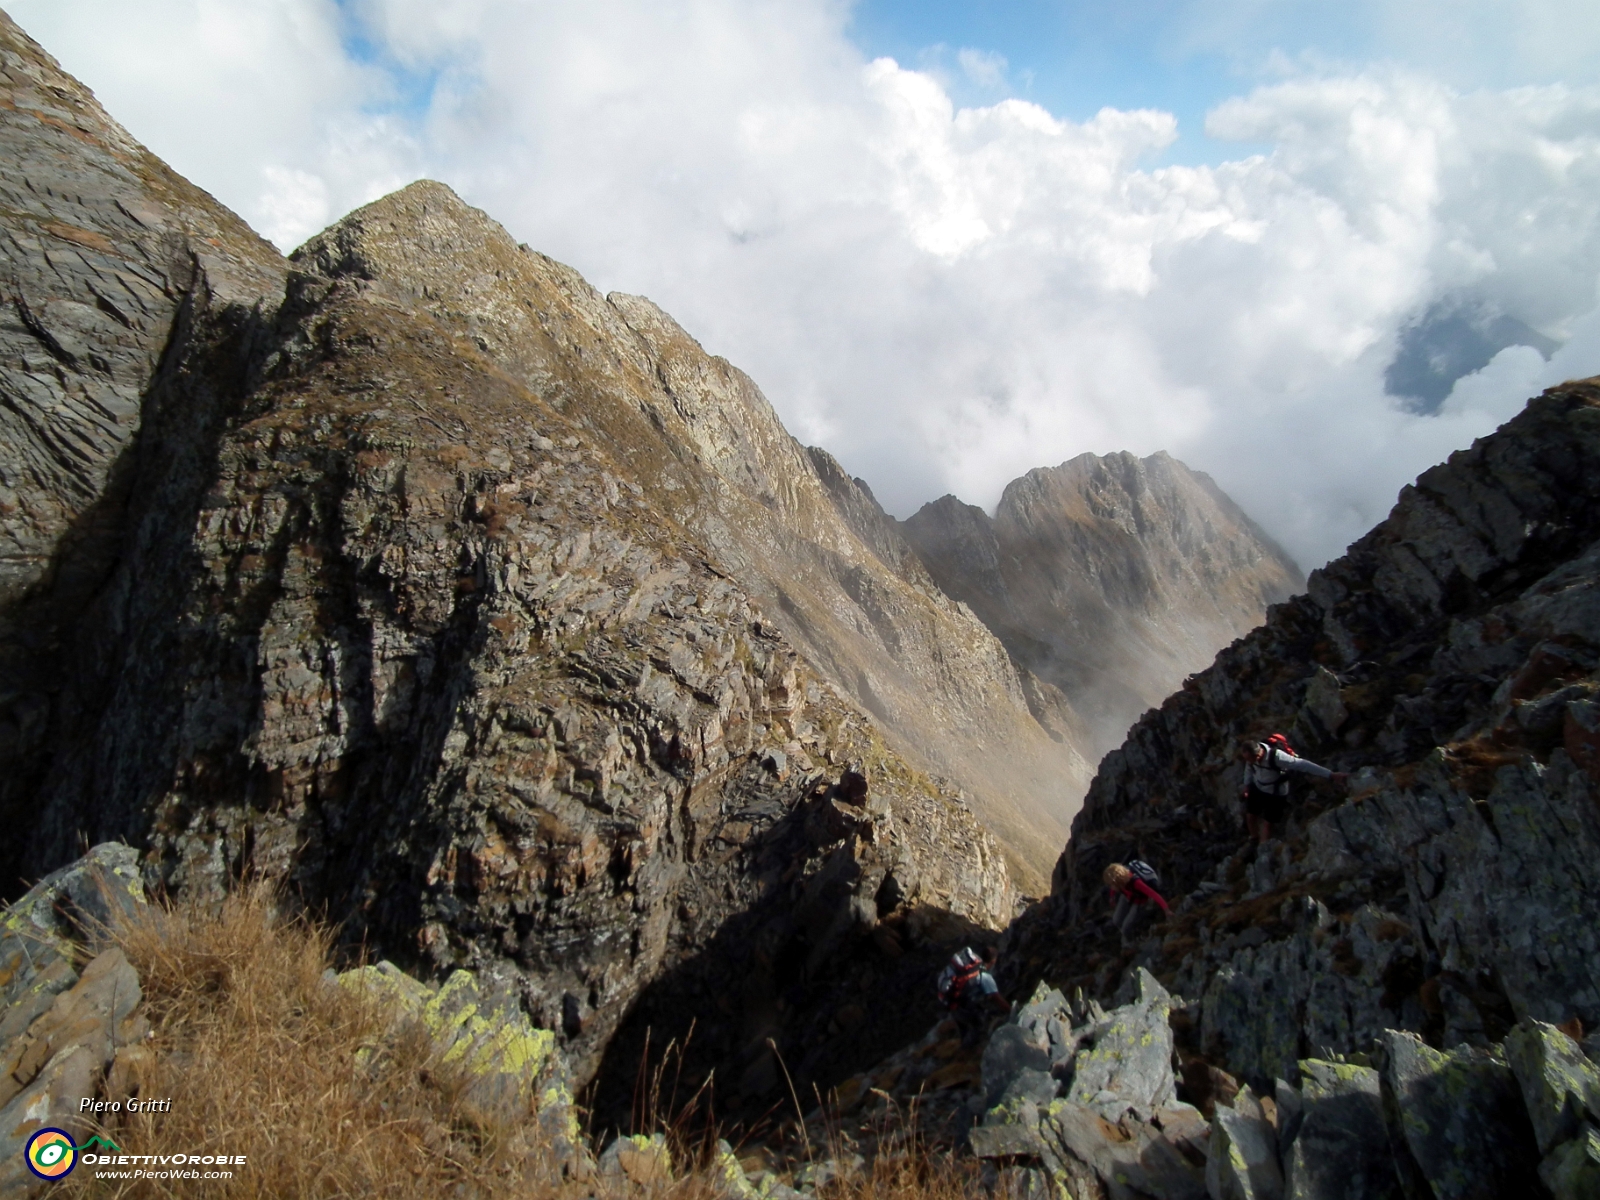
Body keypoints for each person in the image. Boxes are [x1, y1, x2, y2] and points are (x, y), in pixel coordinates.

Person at [1240, 734, 1349, 844]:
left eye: (1250, 759)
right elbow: (1249, 769)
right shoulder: (1251, 759)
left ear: (1258, 755)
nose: (1249, 762)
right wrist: (1247, 786)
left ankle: (1262, 849)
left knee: (1268, 823)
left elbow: (1303, 764)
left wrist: (1331, 775)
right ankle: (1254, 839)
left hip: (1275, 792)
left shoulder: (1277, 757)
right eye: (1247, 759)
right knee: (1250, 815)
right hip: (1258, 787)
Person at [937, 944, 1010, 1047]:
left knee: (963, 1030)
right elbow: (997, 998)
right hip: (963, 1007)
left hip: (953, 1003)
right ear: (993, 961)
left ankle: (961, 1051)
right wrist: (1010, 1011)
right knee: (977, 1028)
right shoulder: (985, 977)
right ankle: (967, 1052)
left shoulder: (972, 964)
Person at [1103, 862, 1170, 947]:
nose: (1111, 887)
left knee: (1126, 928)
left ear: (1117, 882)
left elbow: (1154, 894)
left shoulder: (1136, 883)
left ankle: (1132, 943)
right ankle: (1128, 934)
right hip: (1127, 895)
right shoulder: (1120, 885)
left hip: (1139, 901)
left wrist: (1166, 909)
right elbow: (1114, 889)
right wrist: (1112, 897)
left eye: (1111, 885)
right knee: (1116, 920)